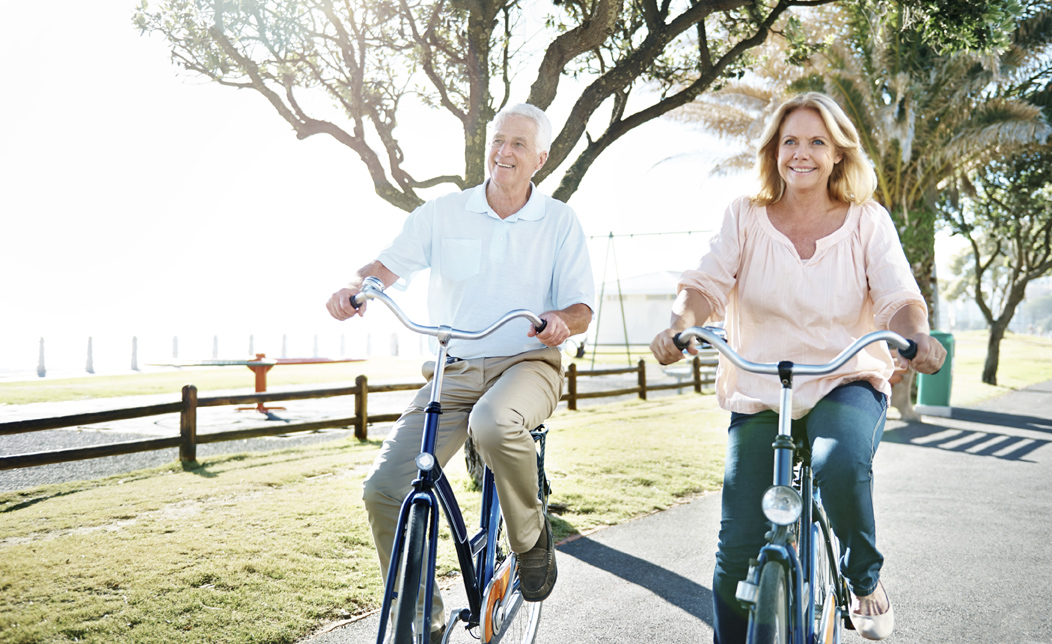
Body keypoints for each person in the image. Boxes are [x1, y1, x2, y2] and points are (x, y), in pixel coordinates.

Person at [650, 92, 946, 643]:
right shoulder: (744, 216)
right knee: (737, 545)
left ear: (838, 155)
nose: (802, 153)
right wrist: (678, 324)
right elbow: (705, 283)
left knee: (838, 463)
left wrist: (915, 337)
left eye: (817, 142)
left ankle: (864, 581)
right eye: (790, 141)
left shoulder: (866, 221)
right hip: (764, 390)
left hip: (845, 382)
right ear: (774, 152)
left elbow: (896, 296)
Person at [326, 103, 594, 643]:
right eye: (499, 140)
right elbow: (383, 269)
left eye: (519, 144)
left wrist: (559, 322)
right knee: (384, 489)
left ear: (540, 158)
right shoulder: (442, 214)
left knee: (493, 424)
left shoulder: (560, 221)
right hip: (452, 371)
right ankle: (423, 616)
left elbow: (581, 308)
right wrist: (354, 291)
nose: (504, 152)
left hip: (527, 364)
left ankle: (528, 537)